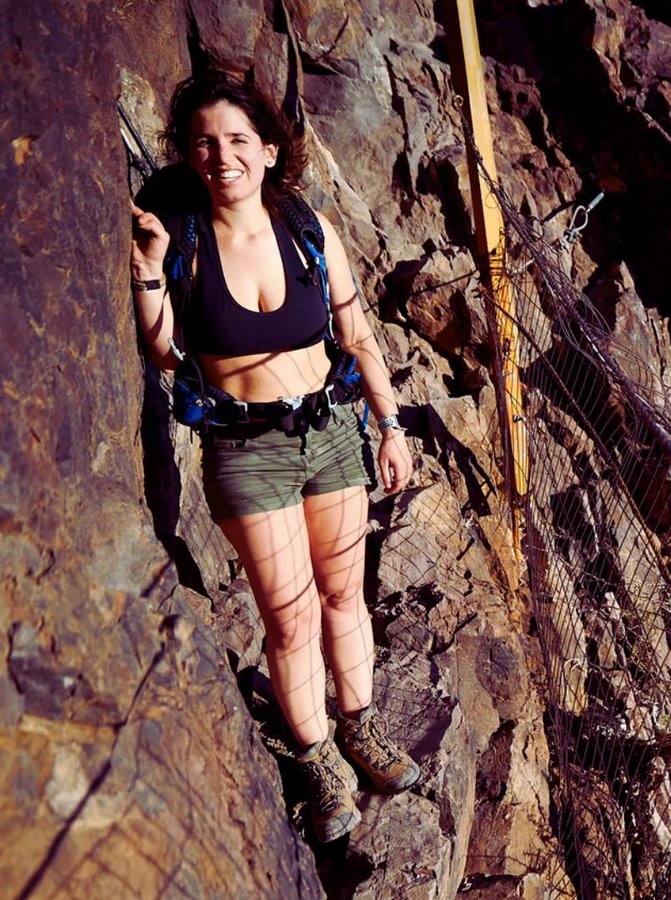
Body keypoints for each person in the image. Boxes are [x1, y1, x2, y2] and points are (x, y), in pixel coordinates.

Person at [130, 71, 418, 843]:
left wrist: (392, 426)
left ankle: (358, 725)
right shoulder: (184, 239)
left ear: (266, 149)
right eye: (203, 143)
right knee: (289, 622)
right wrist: (151, 271)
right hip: (246, 452)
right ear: (189, 156)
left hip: (331, 434)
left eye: (235, 141)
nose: (221, 157)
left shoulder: (307, 227)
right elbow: (165, 355)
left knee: (344, 597)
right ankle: (318, 756)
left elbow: (355, 334)